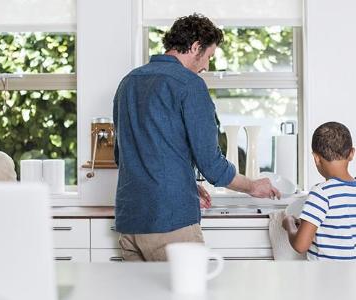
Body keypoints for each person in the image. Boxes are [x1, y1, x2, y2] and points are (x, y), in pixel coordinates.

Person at [112, 13, 281, 262]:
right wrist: (252, 185)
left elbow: (125, 155)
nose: (206, 67)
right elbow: (211, 164)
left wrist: (186, 183)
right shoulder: (189, 84)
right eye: (209, 56)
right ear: (194, 47)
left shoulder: (127, 83)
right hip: (170, 222)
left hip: (130, 222)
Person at [282, 122, 356, 260]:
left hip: (324, 277)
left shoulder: (321, 192)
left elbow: (300, 246)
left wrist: (289, 223)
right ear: (352, 153)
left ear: (316, 158)